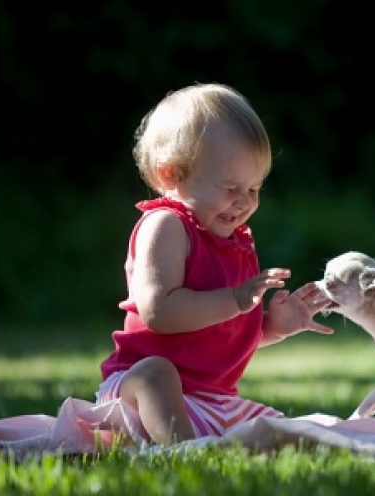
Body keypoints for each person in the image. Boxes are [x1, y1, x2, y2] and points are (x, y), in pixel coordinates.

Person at [96, 83, 334, 446]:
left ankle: (192, 443)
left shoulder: (235, 241)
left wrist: (272, 327)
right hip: (138, 398)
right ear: (171, 175)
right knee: (156, 374)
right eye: (230, 188)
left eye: (254, 190)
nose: (243, 203)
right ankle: (182, 452)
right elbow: (160, 311)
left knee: (292, 436)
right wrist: (237, 299)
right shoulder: (166, 226)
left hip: (209, 403)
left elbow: (219, 334)